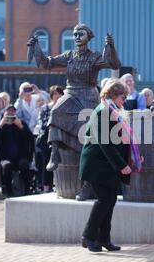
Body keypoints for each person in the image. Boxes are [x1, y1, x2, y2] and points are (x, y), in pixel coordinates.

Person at [27, 23, 121, 173]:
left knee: (90, 125)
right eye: (75, 34)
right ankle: (54, 152)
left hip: (89, 95)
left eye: (81, 34)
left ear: (88, 37)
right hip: (70, 93)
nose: (77, 37)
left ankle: (89, 158)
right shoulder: (69, 56)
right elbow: (47, 63)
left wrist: (111, 47)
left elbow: (113, 64)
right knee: (55, 111)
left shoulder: (94, 56)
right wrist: (36, 47)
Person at [80, 79, 140, 252]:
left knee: (109, 200)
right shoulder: (103, 111)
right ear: (113, 95)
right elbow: (105, 144)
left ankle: (103, 239)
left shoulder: (113, 110)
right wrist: (122, 165)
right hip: (97, 165)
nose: (125, 100)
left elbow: (120, 141)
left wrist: (133, 158)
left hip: (107, 166)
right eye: (123, 96)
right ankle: (88, 236)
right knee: (104, 200)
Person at [0, 105, 35, 197]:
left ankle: (27, 190)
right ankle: (9, 192)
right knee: (7, 166)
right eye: (8, 112)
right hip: (5, 157)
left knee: (24, 164)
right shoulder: (1, 124)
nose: (11, 114)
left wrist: (20, 126)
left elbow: (30, 137)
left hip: (20, 156)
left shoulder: (21, 123)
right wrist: (1, 125)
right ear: (4, 113)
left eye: (12, 112)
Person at [35, 86, 64, 193]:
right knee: (46, 164)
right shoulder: (45, 108)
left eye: (60, 94)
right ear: (52, 96)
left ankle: (61, 186)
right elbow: (42, 124)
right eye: (55, 94)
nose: (58, 96)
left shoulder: (66, 108)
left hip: (62, 139)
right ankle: (46, 187)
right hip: (47, 139)